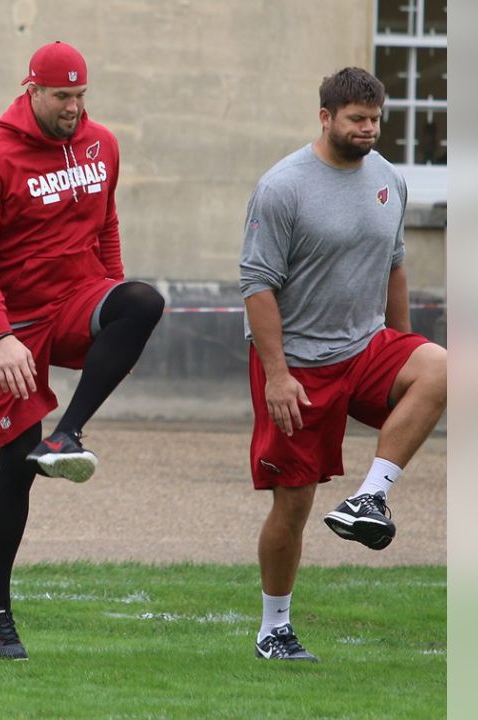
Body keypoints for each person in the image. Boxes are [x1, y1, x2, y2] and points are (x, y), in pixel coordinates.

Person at [0, 41, 164, 660]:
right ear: (33, 90)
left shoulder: (102, 144)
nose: (74, 108)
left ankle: (67, 436)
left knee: (143, 301)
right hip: (4, 319)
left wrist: (114, 292)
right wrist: (1, 335)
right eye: (62, 96)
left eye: (81, 96)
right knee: (16, 462)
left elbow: (107, 224)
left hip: (73, 297)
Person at [240, 67, 446, 662]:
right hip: (298, 364)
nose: (369, 129)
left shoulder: (387, 179)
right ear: (325, 117)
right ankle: (273, 629)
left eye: (376, 119)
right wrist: (278, 375)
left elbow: (395, 264)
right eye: (357, 119)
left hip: (366, 347)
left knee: (442, 368)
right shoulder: (282, 187)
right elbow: (257, 285)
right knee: (294, 503)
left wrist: (403, 347)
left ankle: (369, 499)